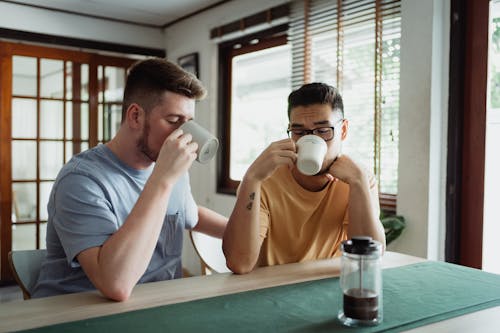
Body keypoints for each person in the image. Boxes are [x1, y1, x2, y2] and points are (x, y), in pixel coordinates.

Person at [33, 58, 227, 301]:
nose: (183, 135)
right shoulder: (80, 180)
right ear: (135, 116)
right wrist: (162, 180)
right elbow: (116, 285)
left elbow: (189, 214)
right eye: (173, 121)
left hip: (153, 308)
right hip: (74, 314)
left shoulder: (173, 172)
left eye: (188, 124)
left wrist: (250, 230)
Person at [222, 82, 386, 274]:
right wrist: (251, 178)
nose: (310, 140)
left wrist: (358, 183)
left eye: (323, 131)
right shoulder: (264, 179)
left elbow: (368, 259)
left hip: (327, 288)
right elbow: (239, 263)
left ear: (342, 130)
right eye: (299, 132)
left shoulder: (358, 178)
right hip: (271, 290)